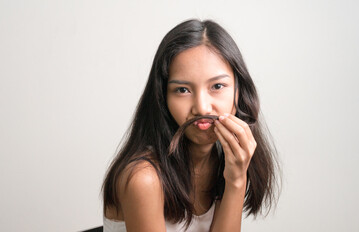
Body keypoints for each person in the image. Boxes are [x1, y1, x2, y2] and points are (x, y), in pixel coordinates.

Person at [102, 19, 280, 232]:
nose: (202, 108)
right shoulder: (144, 179)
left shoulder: (228, 162)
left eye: (217, 86)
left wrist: (236, 180)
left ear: (239, 91)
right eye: (183, 90)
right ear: (162, 97)